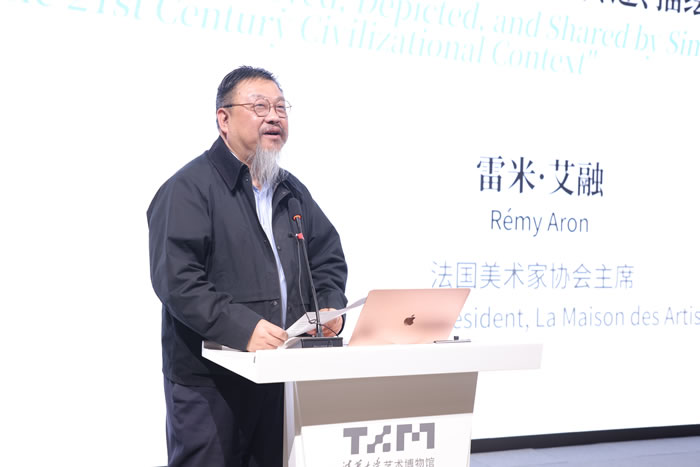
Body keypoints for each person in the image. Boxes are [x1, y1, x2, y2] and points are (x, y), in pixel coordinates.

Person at [147, 66, 348, 467]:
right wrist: (242, 328)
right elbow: (177, 281)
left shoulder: (291, 190)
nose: (273, 117)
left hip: (278, 372)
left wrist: (327, 307)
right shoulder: (188, 188)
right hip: (210, 382)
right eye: (259, 107)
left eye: (280, 108)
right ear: (223, 119)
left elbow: (326, 257)